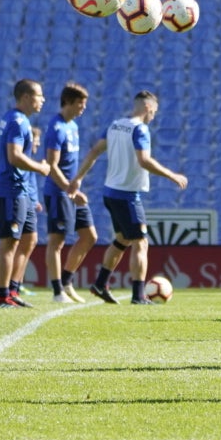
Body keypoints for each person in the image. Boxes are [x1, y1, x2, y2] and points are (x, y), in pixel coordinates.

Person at [75, 90, 187, 305]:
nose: (153, 116)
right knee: (141, 242)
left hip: (111, 192)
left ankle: (100, 283)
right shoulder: (140, 129)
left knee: (122, 239)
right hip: (126, 195)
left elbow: (94, 151)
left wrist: (78, 178)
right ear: (147, 108)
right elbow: (144, 161)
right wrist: (172, 175)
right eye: (154, 111)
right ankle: (138, 295)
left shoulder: (115, 125)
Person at [0, 79, 51, 309]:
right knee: (9, 243)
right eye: (39, 95)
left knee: (29, 239)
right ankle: (1, 295)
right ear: (26, 97)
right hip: (9, 189)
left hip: (21, 190)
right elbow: (14, 156)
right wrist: (40, 167)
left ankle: (13, 289)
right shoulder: (16, 121)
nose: (42, 100)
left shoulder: (18, 120)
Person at [44, 83, 97, 305]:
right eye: (79, 104)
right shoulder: (56, 128)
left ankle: (66, 281)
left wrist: (75, 187)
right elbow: (51, 164)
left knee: (89, 236)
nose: (82, 109)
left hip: (71, 191)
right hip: (58, 192)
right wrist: (69, 190)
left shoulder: (72, 127)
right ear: (67, 102)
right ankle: (58, 291)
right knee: (57, 241)